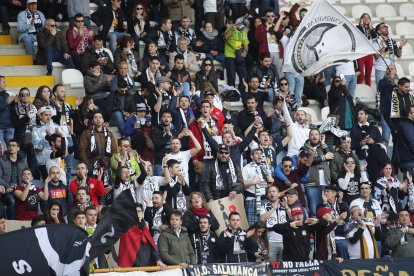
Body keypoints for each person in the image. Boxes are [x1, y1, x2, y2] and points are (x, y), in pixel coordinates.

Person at [119, 203, 167, 268]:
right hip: (133, 269)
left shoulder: (145, 229)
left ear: (142, 213)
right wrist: (139, 266)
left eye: (139, 211)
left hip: (146, 267)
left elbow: (151, 247)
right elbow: (128, 252)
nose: (136, 214)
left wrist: (158, 260)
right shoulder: (126, 230)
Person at [350, 108, 390, 184]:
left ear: (366, 116)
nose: (359, 116)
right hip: (361, 158)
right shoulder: (353, 130)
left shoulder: (374, 128)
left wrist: (373, 142)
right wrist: (360, 143)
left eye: (361, 114)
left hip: (373, 158)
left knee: (375, 179)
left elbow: (381, 143)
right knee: (363, 182)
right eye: (358, 114)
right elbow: (350, 146)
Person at [79, 111, 117, 176]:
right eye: (95, 117)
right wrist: (87, 163)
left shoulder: (109, 134)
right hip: (91, 164)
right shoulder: (86, 133)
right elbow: (82, 149)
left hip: (107, 165)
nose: (98, 119)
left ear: (103, 120)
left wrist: (110, 162)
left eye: (100, 117)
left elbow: (114, 150)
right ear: (92, 121)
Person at [317, 185, 350, 259]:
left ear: (334, 194)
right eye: (325, 191)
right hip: (326, 235)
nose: (325, 193)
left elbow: (346, 220)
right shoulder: (320, 205)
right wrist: (324, 203)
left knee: (342, 245)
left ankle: (345, 266)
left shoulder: (342, 204)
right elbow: (320, 218)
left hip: (339, 234)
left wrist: (341, 203)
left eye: (328, 191)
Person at [243, 148, 274, 226]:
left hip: (264, 200)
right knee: (253, 226)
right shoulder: (246, 168)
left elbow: (267, 184)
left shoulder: (265, 167)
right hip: (252, 200)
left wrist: (270, 183)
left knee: (265, 226)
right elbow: (242, 185)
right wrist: (252, 182)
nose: (259, 155)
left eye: (261, 153)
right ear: (252, 156)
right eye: (257, 153)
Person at [10, 88, 38, 172]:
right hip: (20, 138)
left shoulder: (34, 107)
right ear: (19, 97)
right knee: (19, 161)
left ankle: (32, 178)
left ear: (29, 96)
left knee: (32, 160)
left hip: (32, 136)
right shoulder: (14, 107)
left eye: (27, 95)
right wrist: (27, 117)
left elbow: (36, 122)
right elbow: (15, 124)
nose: (25, 97)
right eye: (22, 95)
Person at [0, 139, 28, 219]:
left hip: (20, 189)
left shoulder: (23, 161)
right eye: (9, 145)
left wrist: (25, 186)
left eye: (13, 145)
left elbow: (27, 175)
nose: (11, 147)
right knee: (12, 200)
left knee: (30, 199)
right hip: (5, 190)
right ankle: (12, 223)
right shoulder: (1, 160)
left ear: (18, 148)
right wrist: (7, 186)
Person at [151, 110, 179, 176]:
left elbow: (176, 145)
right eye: (164, 117)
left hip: (173, 162)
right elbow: (157, 145)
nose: (166, 118)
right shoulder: (156, 129)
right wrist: (167, 135)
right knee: (160, 184)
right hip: (160, 162)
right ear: (161, 118)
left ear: (171, 119)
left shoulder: (175, 130)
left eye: (168, 117)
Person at [224, 17, 248, 91]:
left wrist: (245, 52)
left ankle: (241, 91)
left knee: (244, 76)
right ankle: (232, 93)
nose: (241, 25)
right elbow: (226, 36)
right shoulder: (230, 28)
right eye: (240, 23)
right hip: (230, 55)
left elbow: (245, 44)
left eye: (242, 24)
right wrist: (234, 27)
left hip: (239, 55)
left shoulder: (243, 31)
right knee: (231, 76)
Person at [356, 13, 377, 86]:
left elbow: (375, 37)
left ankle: (368, 91)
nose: (366, 19)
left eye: (368, 18)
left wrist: (371, 27)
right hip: (360, 54)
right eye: (364, 17)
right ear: (361, 19)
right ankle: (359, 91)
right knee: (360, 75)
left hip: (369, 54)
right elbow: (360, 35)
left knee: (368, 75)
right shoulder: (357, 28)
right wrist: (361, 26)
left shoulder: (371, 29)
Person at [0, 76, 15, 149]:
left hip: (10, 127)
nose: (5, 84)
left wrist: (15, 103)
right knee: (1, 151)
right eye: (3, 82)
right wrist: (7, 102)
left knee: (13, 150)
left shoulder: (7, 94)